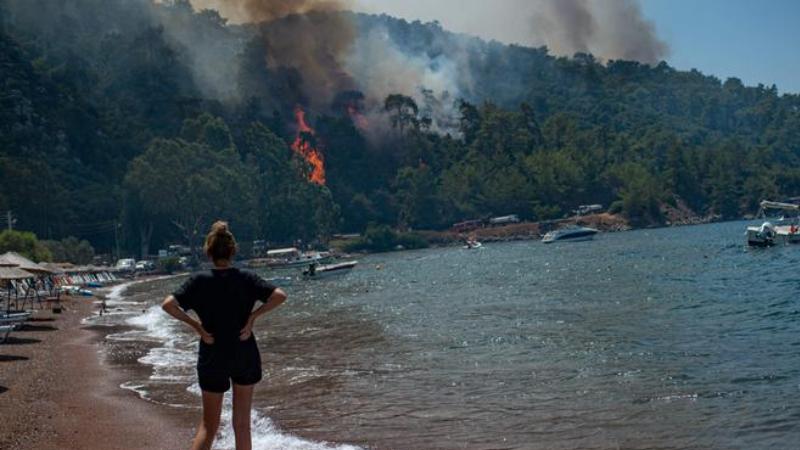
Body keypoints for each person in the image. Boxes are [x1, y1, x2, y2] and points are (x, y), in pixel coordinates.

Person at [162, 221, 287, 450]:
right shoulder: (247, 278)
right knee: (242, 425)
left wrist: (197, 327)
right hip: (243, 350)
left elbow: (168, 305)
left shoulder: (199, 281)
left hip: (212, 353)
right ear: (233, 251)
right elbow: (279, 295)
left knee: (209, 426)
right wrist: (253, 317)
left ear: (209, 252)